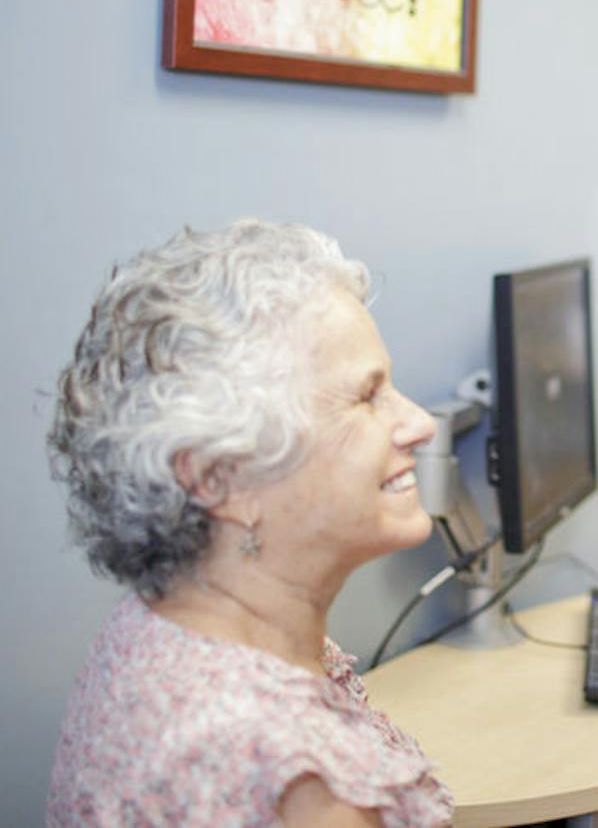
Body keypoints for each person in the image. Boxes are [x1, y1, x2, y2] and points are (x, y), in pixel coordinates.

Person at [47, 219, 454, 826]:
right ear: (216, 477)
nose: (420, 422)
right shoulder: (287, 776)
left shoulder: (169, 627)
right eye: (367, 397)